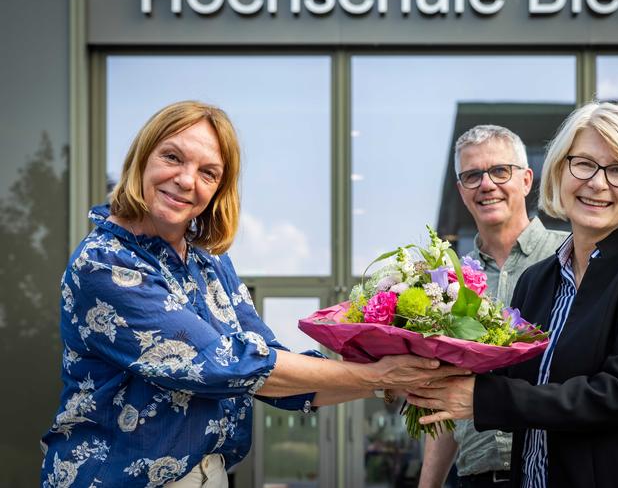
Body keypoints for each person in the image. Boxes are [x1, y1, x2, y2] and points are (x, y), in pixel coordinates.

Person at [40, 101, 467, 488]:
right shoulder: (107, 263)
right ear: (142, 158)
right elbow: (228, 365)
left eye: (209, 173)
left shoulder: (209, 261)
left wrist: (396, 378)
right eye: (172, 157)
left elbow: (275, 372)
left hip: (210, 476)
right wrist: (378, 376)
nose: (187, 180)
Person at [407, 102, 618, 488]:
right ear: (560, 171)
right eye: (584, 164)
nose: (597, 182)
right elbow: (508, 379)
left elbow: (616, 395)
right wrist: (414, 363)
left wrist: (482, 399)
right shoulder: (537, 281)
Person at [418, 125, 566, 488]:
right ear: (461, 191)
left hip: (557, 471)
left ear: (527, 180)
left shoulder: (570, 257)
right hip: (476, 478)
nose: (486, 185)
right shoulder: (448, 284)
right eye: (472, 175)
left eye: (500, 171)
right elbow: (445, 402)